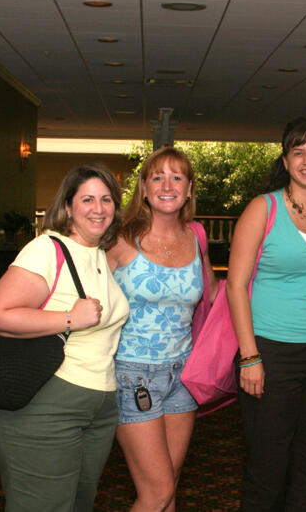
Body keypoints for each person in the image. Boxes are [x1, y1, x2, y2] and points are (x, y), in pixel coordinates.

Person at [227, 117, 306, 511]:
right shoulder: (262, 209)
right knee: (268, 466)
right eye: (298, 152)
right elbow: (235, 285)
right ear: (285, 161)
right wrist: (250, 356)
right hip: (270, 352)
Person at [0, 163, 130, 511]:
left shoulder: (99, 255)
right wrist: (69, 318)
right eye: (88, 199)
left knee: (79, 504)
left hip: (100, 406)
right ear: (67, 206)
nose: (98, 208)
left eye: (107, 199)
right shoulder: (47, 249)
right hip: (47, 404)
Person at [107, 147, 217, 512]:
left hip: (183, 375)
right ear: (144, 187)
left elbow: (215, 296)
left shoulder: (196, 237)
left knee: (169, 486)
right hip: (132, 374)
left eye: (177, 177)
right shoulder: (121, 239)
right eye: (157, 177)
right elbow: (84, 290)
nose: (167, 185)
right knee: (157, 491)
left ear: (189, 189)